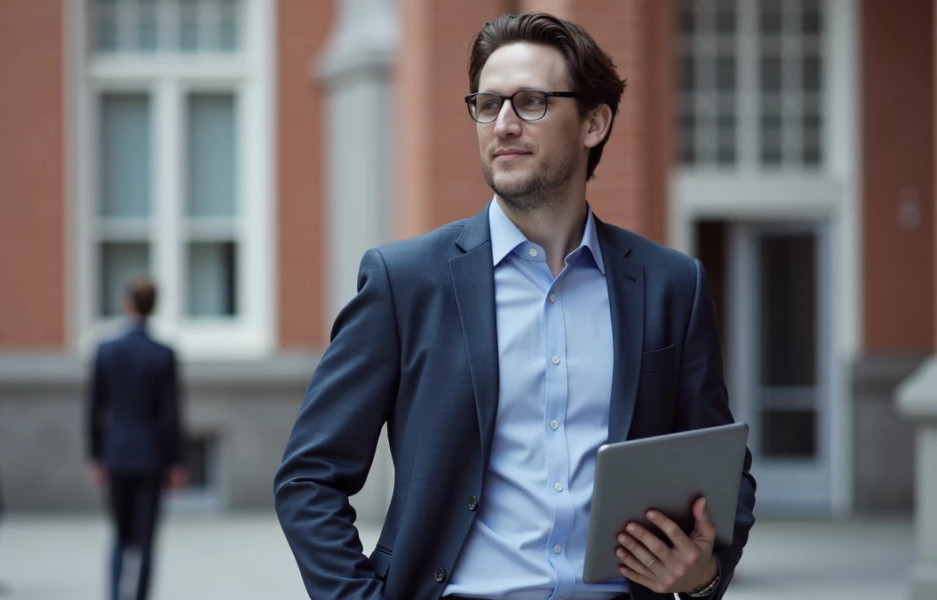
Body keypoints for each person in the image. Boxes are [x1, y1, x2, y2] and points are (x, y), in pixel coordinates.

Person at [274, 12, 756, 600]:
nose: (502, 124)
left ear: (594, 123)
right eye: (487, 103)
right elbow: (308, 478)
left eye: (530, 102)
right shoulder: (405, 282)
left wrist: (704, 575)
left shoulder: (672, 284)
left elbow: (724, 470)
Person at [87, 274, 186, 600]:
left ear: (125, 303)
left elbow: (93, 408)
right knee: (146, 539)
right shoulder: (162, 354)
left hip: (116, 453)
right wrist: (175, 460)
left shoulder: (106, 350)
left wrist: (96, 454)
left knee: (119, 535)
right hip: (152, 456)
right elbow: (170, 413)